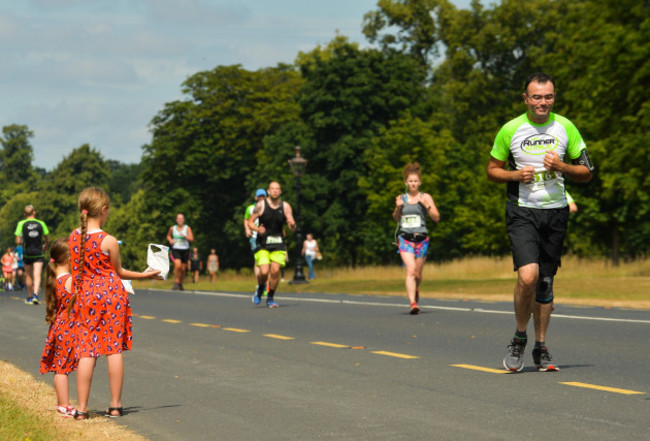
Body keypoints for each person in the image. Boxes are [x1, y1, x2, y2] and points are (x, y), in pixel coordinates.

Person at [487, 72, 594, 372]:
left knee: (545, 283)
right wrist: (513, 175)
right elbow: (491, 170)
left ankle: (541, 346)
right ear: (525, 98)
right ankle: (520, 337)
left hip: (556, 212)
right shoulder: (511, 129)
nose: (542, 102)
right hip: (522, 211)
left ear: (554, 97)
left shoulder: (566, 127)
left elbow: (587, 171)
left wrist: (561, 166)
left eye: (548, 97)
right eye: (536, 96)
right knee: (528, 276)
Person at [68, 187, 160, 420]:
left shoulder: (73, 237)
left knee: (86, 350)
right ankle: (116, 405)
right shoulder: (108, 241)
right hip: (111, 296)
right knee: (113, 349)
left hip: (86, 296)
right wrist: (146, 275)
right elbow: (119, 272)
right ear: (104, 210)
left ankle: (81, 408)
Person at [392, 163, 440, 315]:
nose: (413, 184)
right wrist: (398, 207)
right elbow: (395, 219)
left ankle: (416, 288)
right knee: (411, 270)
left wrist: (427, 206)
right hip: (405, 239)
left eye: (415, 181)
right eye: (410, 181)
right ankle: (413, 303)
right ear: (406, 183)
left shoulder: (425, 197)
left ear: (419, 182)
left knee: (418, 274)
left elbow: (436, 218)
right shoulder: (401, 198)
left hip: (422, 239)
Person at [39, 238, 77, 418]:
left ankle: (62, 403)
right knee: (62, 368)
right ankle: (64, 405)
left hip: (58, 326)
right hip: (68, 327)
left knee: (59, 367)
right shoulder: (70, 281)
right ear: (70, 257)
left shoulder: (55, 279)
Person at [247, 181, 296, 308]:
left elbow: (292, 227)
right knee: (264, 272)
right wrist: (257, 229)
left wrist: (292, 224)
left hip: (278, 242)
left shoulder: (285, 206)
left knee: (275, 271)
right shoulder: (260, 205)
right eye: (272, 189)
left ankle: (270, 297)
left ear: (280, 191)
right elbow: (250, 222)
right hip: (263, 243)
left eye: (277, 189)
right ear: (268, 191)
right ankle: (260, 289)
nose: (275, 191)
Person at [15, 204, 50, 304]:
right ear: (34, 212)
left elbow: (18, 240)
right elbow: (47, 238)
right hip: (38, 252)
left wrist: (23, 243)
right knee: (37, 275)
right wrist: (45, 245)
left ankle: (29, 297)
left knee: (28, 275)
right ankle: (36, 295)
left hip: (27, 253)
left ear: (24, 214)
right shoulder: (41, 223)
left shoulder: (21, 224)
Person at [244, 189, 267, 293]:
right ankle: (260, 284)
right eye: (260, 196)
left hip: (268, 236)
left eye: (263, 196)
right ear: (256, 197)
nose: (261, 198)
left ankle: (265, 284)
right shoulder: (251, 208)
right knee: (258, 261)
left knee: (268, 262)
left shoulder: (269, 206)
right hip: (255, 236)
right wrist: (247, 229)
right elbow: (246, 219)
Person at [167, 213, 194, 291]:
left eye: (181, 218)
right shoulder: (172, 228)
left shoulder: (187, 228)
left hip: (185, 249)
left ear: (184, 220)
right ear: (176, 220)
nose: (180, 220)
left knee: (183, 269)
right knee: (177, 265)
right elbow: (168, 236)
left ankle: (180, 283)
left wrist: (185, 236)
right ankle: (176, 282)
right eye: (178, 218)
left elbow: (192, 239)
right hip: (176, 249)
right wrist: (170, 240)